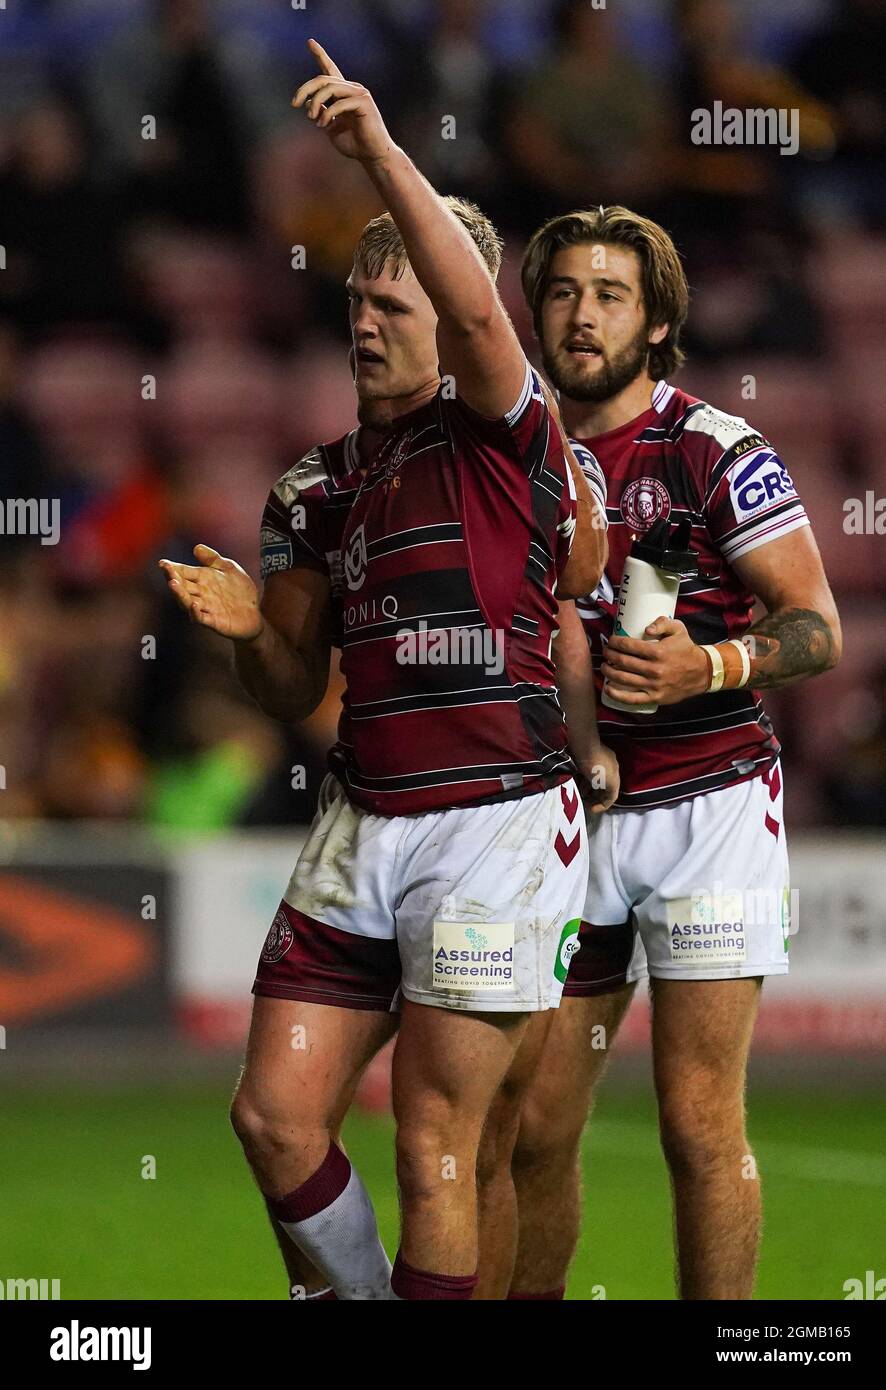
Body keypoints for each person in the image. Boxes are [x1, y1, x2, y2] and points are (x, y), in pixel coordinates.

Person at [161, 40, 607, 1300]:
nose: (366, 322)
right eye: (355, 304)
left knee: (435, 1148)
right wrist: (254, 634)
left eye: (392, 304)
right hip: (365, 818)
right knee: (275, 1116)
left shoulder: (503, 429)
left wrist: (375, 153)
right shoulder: (313, 487)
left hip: (493, 823)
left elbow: (479, 311)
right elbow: (293, 692)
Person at [479, 204, 841, 1300]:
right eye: (561, 292)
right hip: (566, 816)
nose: (581, 315)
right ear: (531, 312)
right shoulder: (506, 457)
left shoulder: (713, 450)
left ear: (655, 322)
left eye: (609, 295)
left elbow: (815, 628)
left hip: (709, 808)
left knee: (695, 1120)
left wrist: (708, 667)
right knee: (535, 1126)